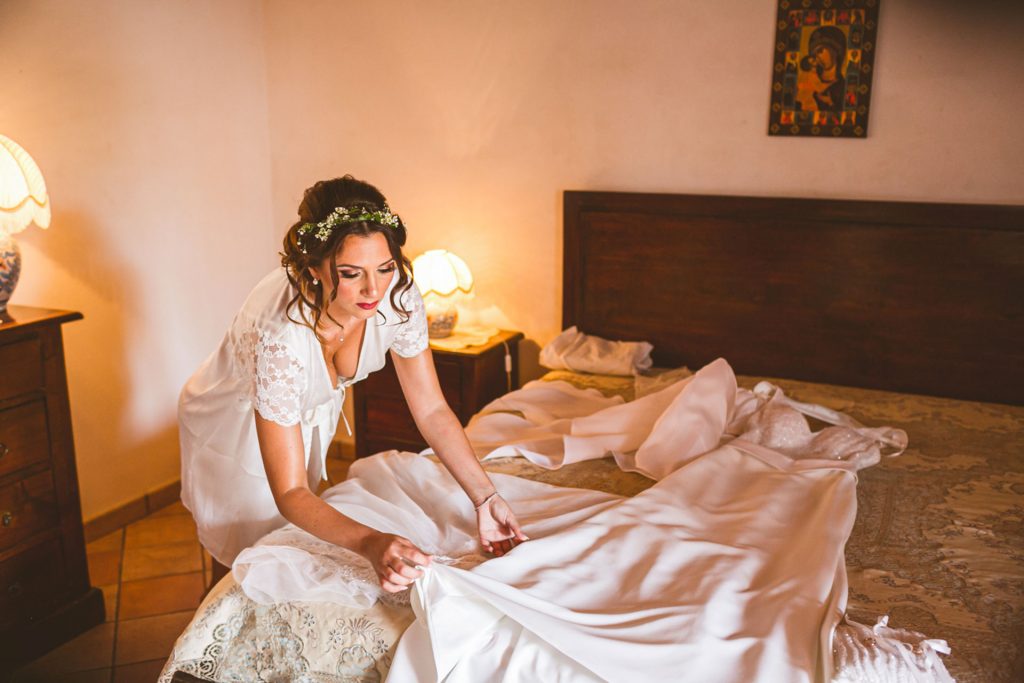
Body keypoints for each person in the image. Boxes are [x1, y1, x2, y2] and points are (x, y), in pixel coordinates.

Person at [178, 175, 527, 592]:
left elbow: (432, 409)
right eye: (350, 273)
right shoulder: (280, 337)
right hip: (233, 422)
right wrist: (370, 542)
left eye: (385, 267)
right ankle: (214, 620)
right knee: (240, 550)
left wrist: (486, 498)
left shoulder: (397, 297)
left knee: (284, 538)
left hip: (303, 413)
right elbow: (290, 491)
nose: (373, 289)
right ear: (314, 269)